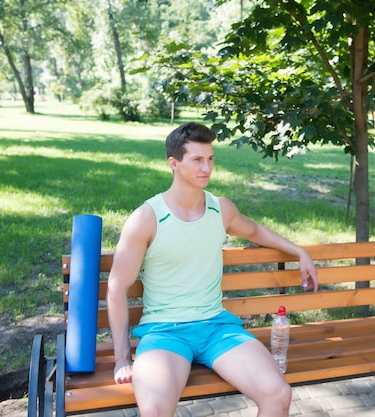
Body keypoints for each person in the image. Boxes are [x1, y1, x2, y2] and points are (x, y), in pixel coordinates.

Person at [107, 122, 319, 417]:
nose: (206, 168)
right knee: (154, 411)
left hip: (217, 329)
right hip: (166, 333)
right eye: (197, 160)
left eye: (210, 159)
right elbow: (116, 288)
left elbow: (255, 230)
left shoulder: (221, 209)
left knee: (278, 394)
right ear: (174, 164)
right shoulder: (147, 218)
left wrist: (299, 251)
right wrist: (121, 360)